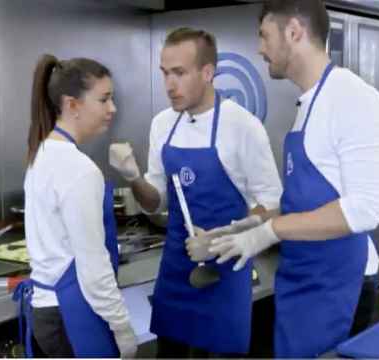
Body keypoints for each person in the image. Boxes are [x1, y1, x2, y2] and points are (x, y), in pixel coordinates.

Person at [187, 0, 379, 357]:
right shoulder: (307, 105)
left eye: (265, 36)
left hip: (338, 285)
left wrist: (268, 233)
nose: (260, 48)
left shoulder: (352, 97)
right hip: (303, 279)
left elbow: (363, 210)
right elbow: (304, 200)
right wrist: (244, 227)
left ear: (294, 32)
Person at [108, 27, 282, 357]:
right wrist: (133, 177)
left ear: (207, 72)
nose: (169, 85)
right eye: (164, 73)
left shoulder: (243, 127)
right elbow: (155, 201)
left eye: (179, 73)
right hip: (175, 265)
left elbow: (271, 205)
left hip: (226, 269)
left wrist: (225, 234)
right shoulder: (162, 123)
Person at [13, 54, 137, 358]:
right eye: (104, 99)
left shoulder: (40, 153)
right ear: (72, 104)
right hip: (74, 314)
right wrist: (122, 327)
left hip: (45, 312)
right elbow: (93, 268)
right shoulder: (79, 168)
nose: (113, 109)